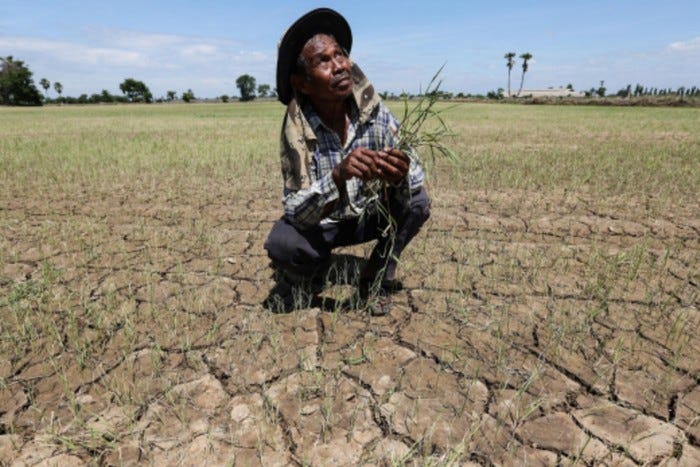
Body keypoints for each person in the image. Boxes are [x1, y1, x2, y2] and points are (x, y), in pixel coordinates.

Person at [264, 8, 430, 315]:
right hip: (325, 224)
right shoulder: (296, 132)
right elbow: (296, 210)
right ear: (302, 83)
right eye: (322, 61)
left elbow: (416, 174)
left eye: (339, 55)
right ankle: (303, 277)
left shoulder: (374, 111)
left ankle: (375, 275)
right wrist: (337, 176)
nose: (338, 66)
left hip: (367, 215)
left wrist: (401, 173)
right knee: (283, 243)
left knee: (417, 201)